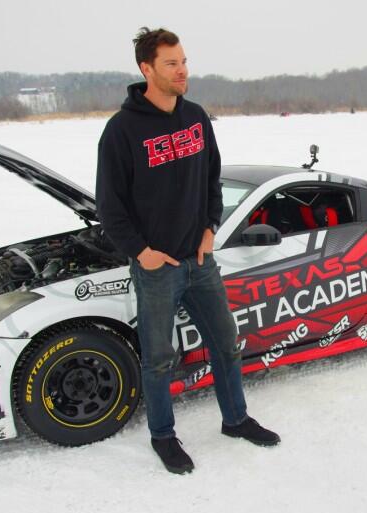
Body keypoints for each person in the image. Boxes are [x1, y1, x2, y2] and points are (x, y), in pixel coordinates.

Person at [96, 27, 279, 475]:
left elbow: (212, 180)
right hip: (157, 268)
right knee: (159, 360)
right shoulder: (121, 131)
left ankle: (235, 419)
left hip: (200, 260)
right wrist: (142, 252)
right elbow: (109, 206)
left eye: (184, 62)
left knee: (226, 346)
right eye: (171, 64)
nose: (182, 71)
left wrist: (210, 229)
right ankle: (163, 436)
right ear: (147, 69)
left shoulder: (195, 117)